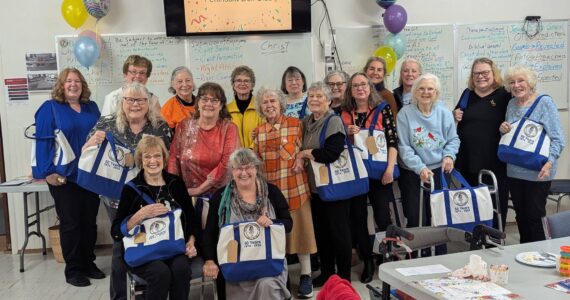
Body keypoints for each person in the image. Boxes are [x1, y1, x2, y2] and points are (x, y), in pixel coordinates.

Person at [84, 82, 171, 300]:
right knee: (120, 241)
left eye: (140, 100)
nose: (135, 104)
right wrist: (92, 141)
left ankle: (146, 291)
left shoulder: (159, 126)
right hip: (115, 194)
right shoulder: (106, 123)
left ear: (148, 102)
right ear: (122, 102)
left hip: (148, 193)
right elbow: (86, 151)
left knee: (148, 240)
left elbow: (166, 158)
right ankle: (119, 296)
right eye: (129, 99)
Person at [32, 68, 103, 287]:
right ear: (61, 85)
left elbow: (101, 136)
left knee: (89, 222)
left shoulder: (91, 107)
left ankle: (88, 262)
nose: (73, 84)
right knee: (71, 223)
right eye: (68, 81)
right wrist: (47, 173)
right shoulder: (49, 108)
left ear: (83, 84)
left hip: (90, 175)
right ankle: (73, 269)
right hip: (64, 177)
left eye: (77, 81)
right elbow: (42, 142)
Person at [111, 135, 198, 300]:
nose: (153, 161)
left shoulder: (176, 183)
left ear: (164, 159)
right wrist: (139, 215)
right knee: (160, 272)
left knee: (181, 269)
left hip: (174, 247)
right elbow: (116, 232)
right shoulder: (131, 189)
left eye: (157, 155)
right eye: (147, 156)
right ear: (140, 160)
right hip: (144, 251)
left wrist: (191, 241)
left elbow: (191, 218)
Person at [201, 148, 293, 300]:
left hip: (268, 265)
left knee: (267, 285)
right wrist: (209, 260)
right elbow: (210, 234)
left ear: (256, 168)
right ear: (232, 171)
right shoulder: (221, 198)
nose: (244, 173)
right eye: (239, 168)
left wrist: (272, 222)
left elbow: (288, 224)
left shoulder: (272, 192)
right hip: (236, 267)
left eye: (248, 167)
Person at [253, 87, 317, 298]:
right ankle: (284, 279)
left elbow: (305, 153)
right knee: (278, 237)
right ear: (260, 107)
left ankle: (306, 275)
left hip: (295, 188)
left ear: (281, 103)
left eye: (273, 101)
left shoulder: (296, 125)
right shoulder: (258, 131)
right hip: (272, 194)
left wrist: (301, 157)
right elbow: (256, 163)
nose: (269, 105)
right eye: (265, 102)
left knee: (302, 234)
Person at [341, 72, 398, 283]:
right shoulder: (344, 113)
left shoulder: (383, 110)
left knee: (383, 217)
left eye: (363, 84)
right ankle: (368, 261)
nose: (360, 88)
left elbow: (393, 141)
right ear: (350, 90)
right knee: (358, 221)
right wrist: (347, 132)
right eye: (355, 85)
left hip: (380, 173)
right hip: (355, 175)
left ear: (369, 87)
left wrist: (390, 169)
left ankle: (387, 256)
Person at [499, 66, 565, 243]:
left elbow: (558, 139)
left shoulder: (545, 103)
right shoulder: (512, 104)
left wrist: (549, 163)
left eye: (521, 81)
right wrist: (502, 129)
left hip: (538, 170)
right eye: (512, 82)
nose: (516, 85)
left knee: (535, 217)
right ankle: (524, 254)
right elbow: (512, 137)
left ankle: (539, 257)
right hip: (514, 169)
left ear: (530, 83)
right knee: (520, 216)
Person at [295, 82, 352, 287]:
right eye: (311, 96)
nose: (315, 100)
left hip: (334, 188)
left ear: (328, 100)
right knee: (322, 234)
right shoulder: (306, 122)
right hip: (315, 189)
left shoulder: (333, 121)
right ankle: (328, 273)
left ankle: (344, 278)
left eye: (320, 96)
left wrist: (305, 153)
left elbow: (331, 154)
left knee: (339, 234)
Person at [397, 73, 460, 255]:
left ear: (437, 92)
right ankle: (416, 255)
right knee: (417, 216)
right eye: (421, 89)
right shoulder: (405, 114)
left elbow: (453, 140)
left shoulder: (444, 113)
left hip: (439, 170)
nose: (426, 92)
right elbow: (404, 146)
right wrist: (420, 168)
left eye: (430, 89)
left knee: (439, 217)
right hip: (413, 172)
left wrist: (449, 156)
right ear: (415, 92)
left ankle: (439, 255)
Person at [453, 58, 510, 230]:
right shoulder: (467, 94)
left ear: (493, 74)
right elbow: (457, 118)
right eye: (476, 73)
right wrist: (454, 114)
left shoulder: (505, 95)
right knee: (471, 205)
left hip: (495, 162)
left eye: (485, 72)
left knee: (495, 205)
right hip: (468, 161)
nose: (481, 76)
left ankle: (495, 240)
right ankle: (474, 240)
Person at [168, 82, 241, 197]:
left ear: (221, 105)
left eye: (214, 100)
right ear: (198, 103)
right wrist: (173, 187)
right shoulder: (184, 125)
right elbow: (173, 158)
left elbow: (227, 164)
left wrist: (198, 190)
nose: (209, 104)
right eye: (204, 99)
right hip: (185, 194)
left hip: (218, 197)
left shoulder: (229, 129)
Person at [226, 65, 263, 148]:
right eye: (238, 80)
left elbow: (265, 134)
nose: (242, 84)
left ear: (252, 85)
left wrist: (250, 152)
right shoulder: (226, 110)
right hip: (234, 158)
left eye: (246, 81)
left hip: (256, 157)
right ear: (233, 84)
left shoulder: (261, 107)